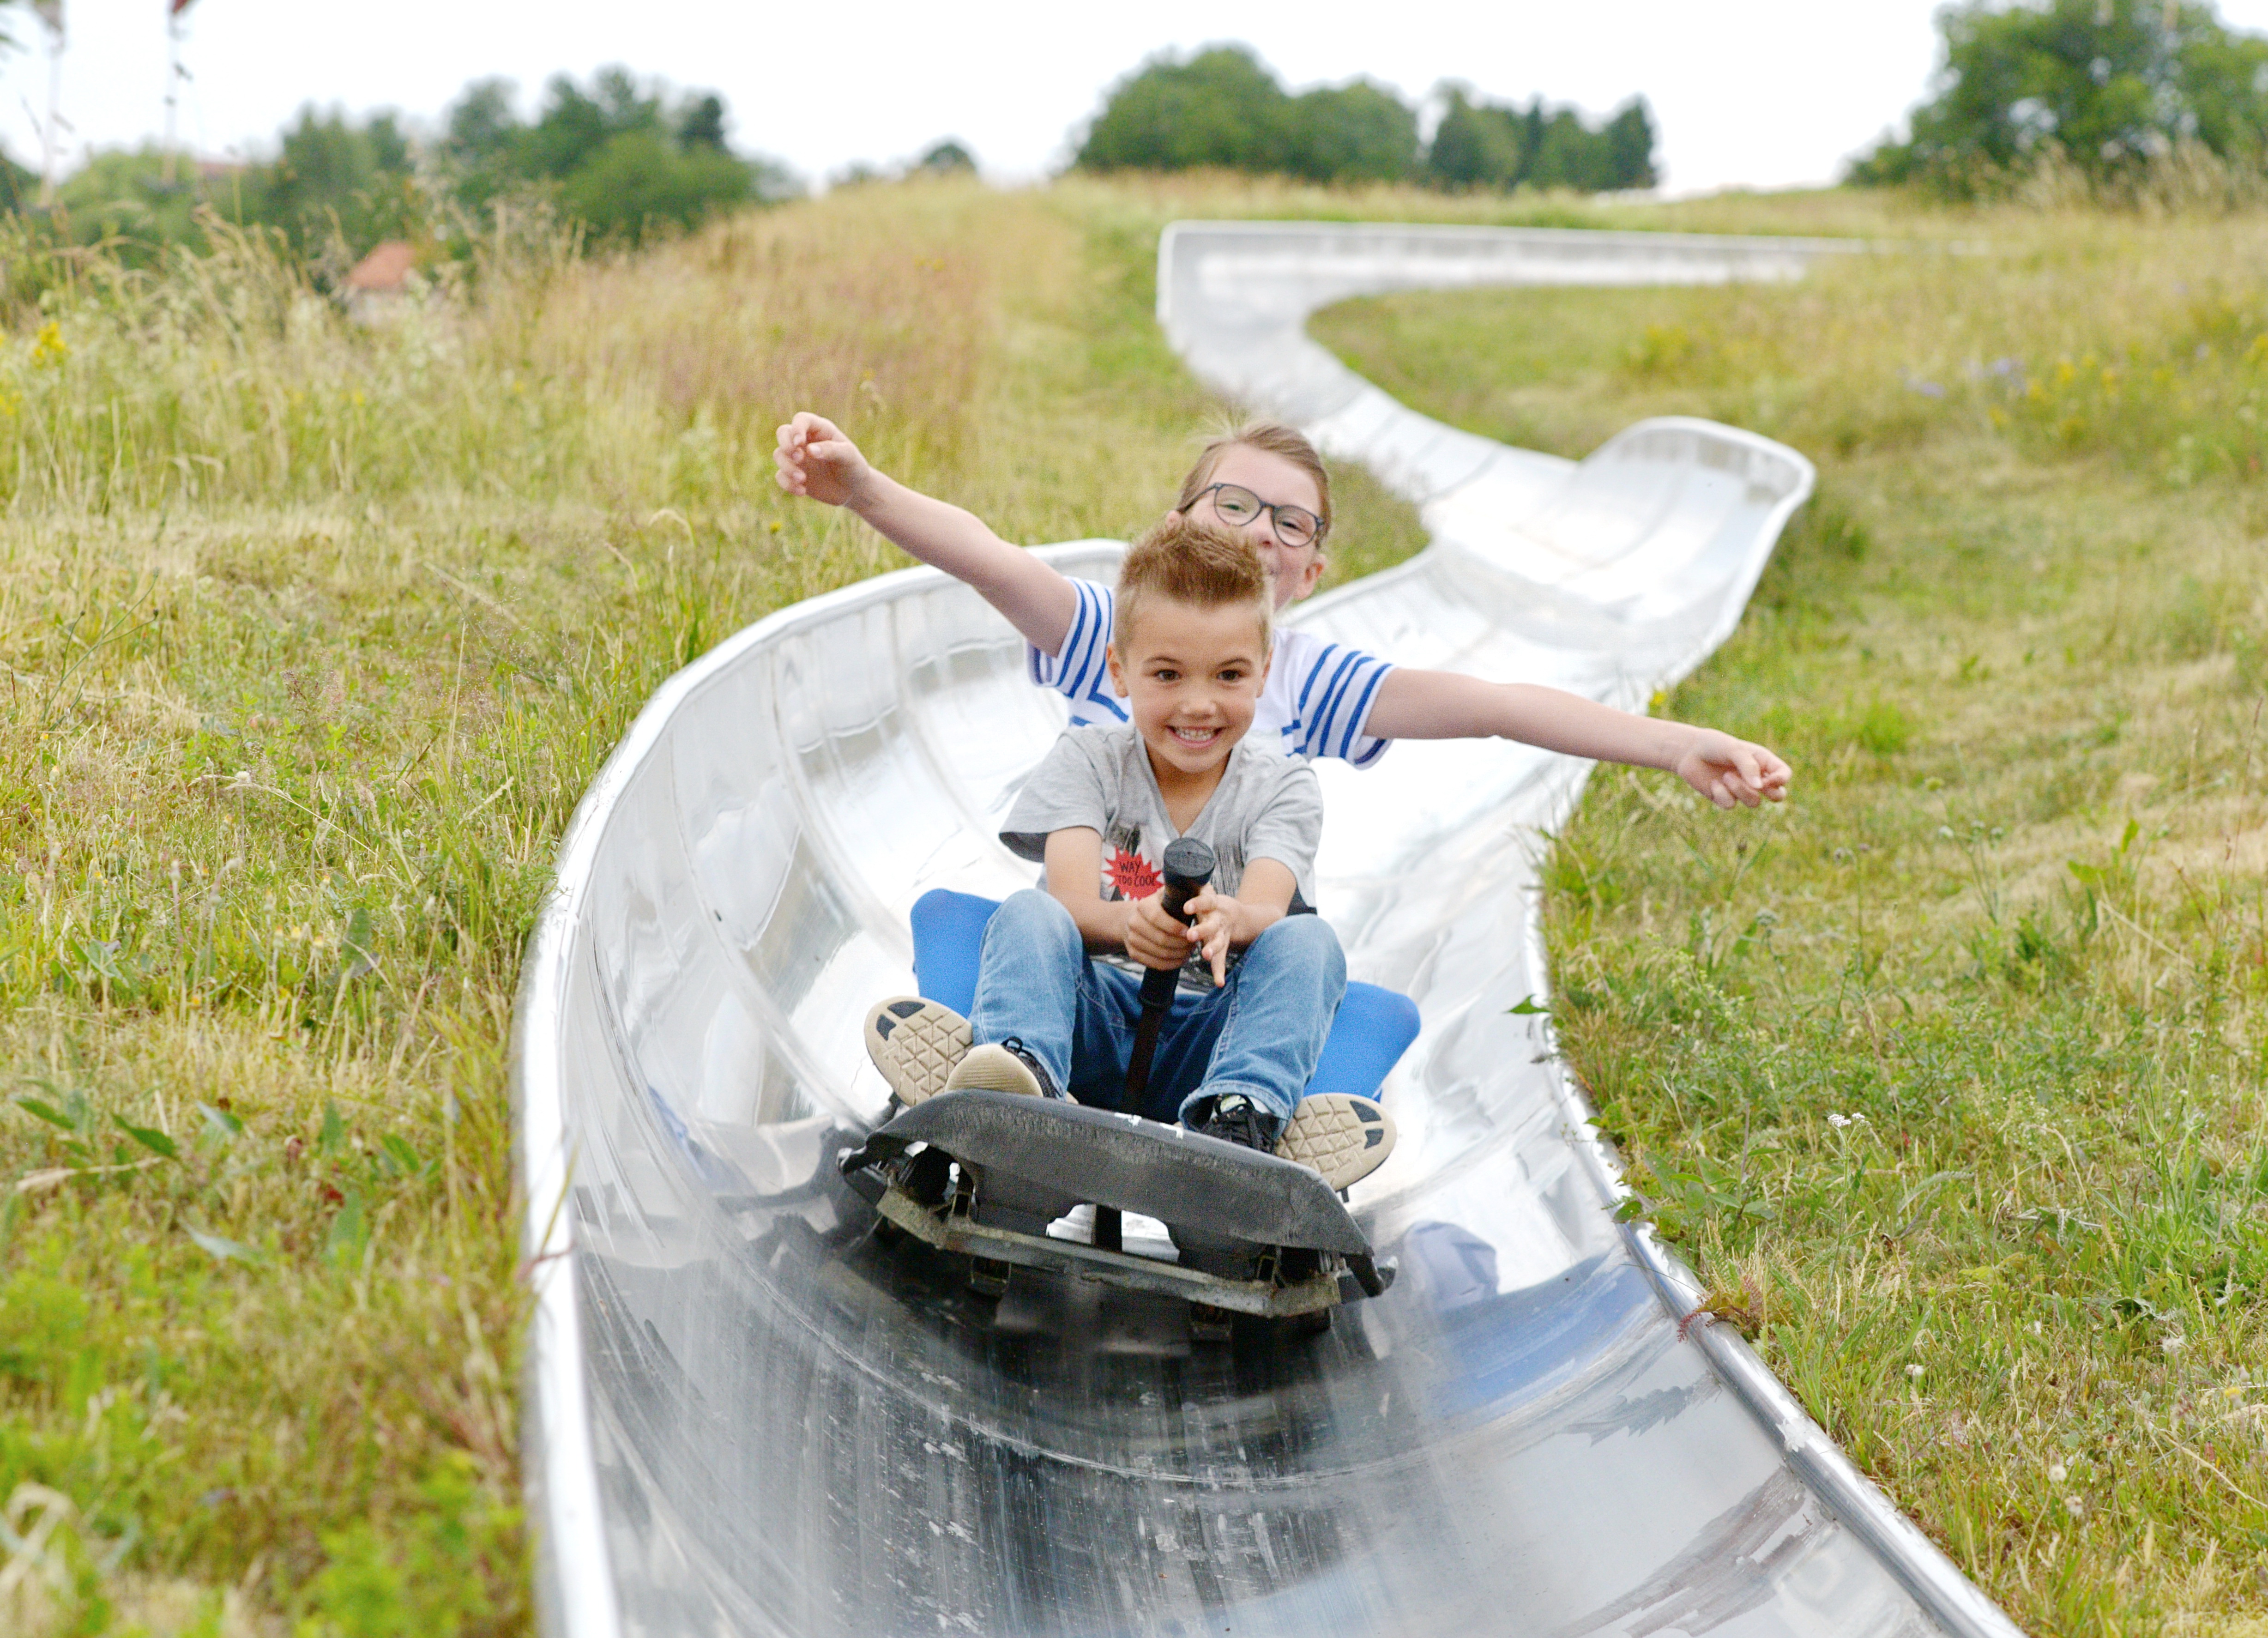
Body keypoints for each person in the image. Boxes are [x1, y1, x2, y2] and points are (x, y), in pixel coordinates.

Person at [772, 410, 1793, 806]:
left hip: (1228, 961)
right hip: (1086, 934)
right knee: (991, 924)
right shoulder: (1106, 637)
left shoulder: (1310, 681)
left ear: (1308, 576)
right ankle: (1006, 1064)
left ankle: (1260, 1114)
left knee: (1318, 969)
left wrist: (1673, 746)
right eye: (1234, 504)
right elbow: (986, 558)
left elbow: (1498, 705)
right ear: (1172, 527)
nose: (1261, 529)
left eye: (1292, 524)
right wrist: (863, 488)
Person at [861, 516, 1395, 1192]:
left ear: (1263, 673)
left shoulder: (1284, 785)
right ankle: (1019, 1084)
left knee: (1310, 942)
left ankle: (1241, 1124)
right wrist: (1129, 925)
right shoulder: (1089, 760)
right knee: (1030, 912)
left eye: (1229, 675)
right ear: (1120, 670)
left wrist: (1230, 919)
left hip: (1212, 1036)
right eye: (1168, 674)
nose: (1198, 705)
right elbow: (1070, 903)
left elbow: (1268, 904)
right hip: (1087, 1016)